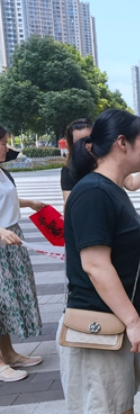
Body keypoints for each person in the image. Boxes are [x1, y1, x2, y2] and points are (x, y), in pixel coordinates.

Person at [58, 109, 140, 414]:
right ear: (122, 143)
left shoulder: (109, 189)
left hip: (109, 325)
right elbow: (95, 265)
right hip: (101, 327)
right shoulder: (94, 192)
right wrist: (133, 322)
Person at [0, 125, 45, 382]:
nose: (8, 147)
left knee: (6, 303)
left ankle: (8, 353)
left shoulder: (2, 171)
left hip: (11, 241)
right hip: (2, 239)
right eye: (4, 142)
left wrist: (29, 203)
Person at [61, 118, 140, 206]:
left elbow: (131, 184)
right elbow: (69, 204)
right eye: (79, 142)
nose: (86, 146)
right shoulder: (70, 169)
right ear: (72, 144)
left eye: (89, 140)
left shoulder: (109, 160)